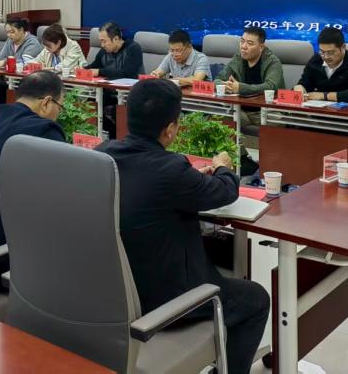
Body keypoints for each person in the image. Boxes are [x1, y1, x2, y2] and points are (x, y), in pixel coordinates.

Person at [97, 80, 269, 374]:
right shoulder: (170, 169)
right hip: (164, 299)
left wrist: (191, 178)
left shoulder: (103, 154)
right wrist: (223, 167)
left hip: (114, 291)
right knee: (256, 299)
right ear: (170, 129)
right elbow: (225, 192)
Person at [0, 71, 66, 248]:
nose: (58, 114)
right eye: (59, 107)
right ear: (46, 103)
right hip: (11, 242)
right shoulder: (45, 130)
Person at [294, 27, 348, 103]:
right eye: (322, 52)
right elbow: (305, 83)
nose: (326, 57)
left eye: (330, 53)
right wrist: (299, 87)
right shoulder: (316, 60)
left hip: (347, 109)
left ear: (343, 47)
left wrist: (324, 96)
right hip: (318, 108)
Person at [216, 26, 285, 97]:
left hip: (266, 103)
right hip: (241, 103)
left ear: (261, 47)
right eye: (242, 41)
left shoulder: (272, 62)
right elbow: (218, 79)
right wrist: (224, 85)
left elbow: (270, 86)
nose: (243, 46)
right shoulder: (237, 59)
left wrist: (241, 88)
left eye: (250, 43)